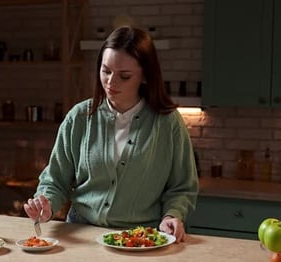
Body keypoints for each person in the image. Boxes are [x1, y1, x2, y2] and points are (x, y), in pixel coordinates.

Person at [24, 25, 198, 242]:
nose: (110, 82)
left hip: (142, 241)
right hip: (81, 237)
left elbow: (182, 187)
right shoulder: (79, 117)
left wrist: (173, 215)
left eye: (124, 76)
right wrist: (46, 205)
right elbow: (56, 180)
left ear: (145, 76)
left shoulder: (168, 122)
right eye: (106, 71)